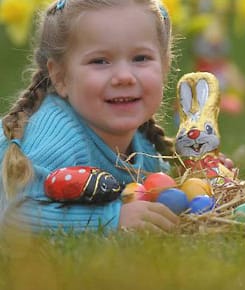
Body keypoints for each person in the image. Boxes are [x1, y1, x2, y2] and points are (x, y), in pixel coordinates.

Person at [0, 0, 180, 233]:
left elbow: (159, 185)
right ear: (61, 77)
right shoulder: (59, 135)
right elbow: (16, 218)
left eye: (140, 58)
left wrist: (204, 177)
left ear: (165, 66)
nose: (124, 76)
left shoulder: (141, 143)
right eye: (100, 61)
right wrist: (111, 220)